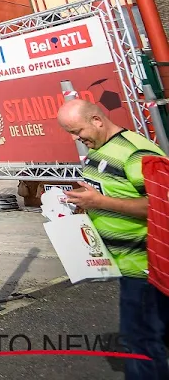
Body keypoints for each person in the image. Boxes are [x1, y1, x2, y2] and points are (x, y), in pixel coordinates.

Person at [58, 98, 169, 379]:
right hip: (126, 265)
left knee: (140, 344)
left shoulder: (136, 152)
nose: (76, 139)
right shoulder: (99, 152)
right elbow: (110, 195)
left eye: (77, 131)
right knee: (150, 338)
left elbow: (160, 206)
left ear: (97, 120)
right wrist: (86, 204)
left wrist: (101, 202)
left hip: (145, 266)